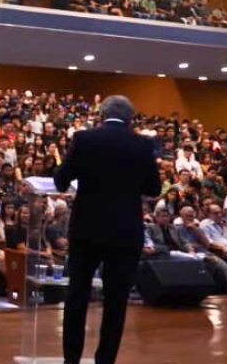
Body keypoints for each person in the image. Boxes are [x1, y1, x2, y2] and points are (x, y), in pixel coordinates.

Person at [55, 95, 159, 364]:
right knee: (116, 302)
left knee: (77, 295)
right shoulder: (143, 144)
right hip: (125, 232)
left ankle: (71, 360)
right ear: (130, 118)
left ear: (101, 115)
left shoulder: (84, 139)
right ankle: (105, 361)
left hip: (86, 229)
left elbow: (61, 181)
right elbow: (153, 189)